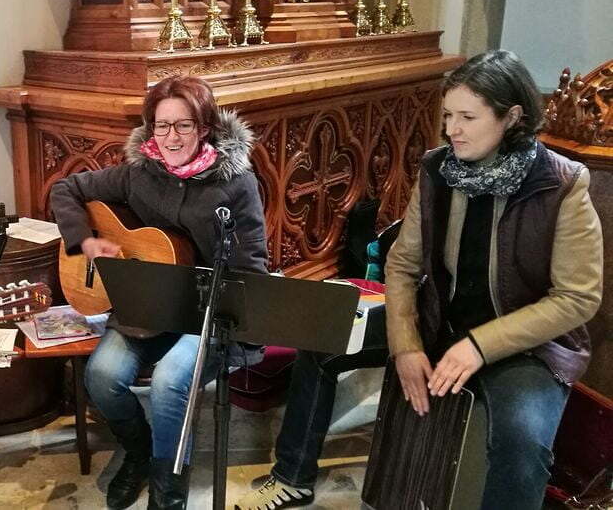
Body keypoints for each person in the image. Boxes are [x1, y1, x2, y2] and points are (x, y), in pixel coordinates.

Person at [234, 49, 602, 510]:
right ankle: (292, 475)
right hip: (438, 319)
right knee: (323, 339)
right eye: (448, 114)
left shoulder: (561, 185)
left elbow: (576, 299)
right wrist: (406, 344)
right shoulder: (437, 169)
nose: (453, 129)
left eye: (468, 117)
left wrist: (479, 346)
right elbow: (404, 267)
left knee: (523, 443)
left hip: (524, 344)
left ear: (511, 118)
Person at [51, 75, 269, 509]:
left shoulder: (236, 184)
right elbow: (66, 188)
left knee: (171, 382)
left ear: (205, 127)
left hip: (206, 310)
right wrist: (85, 241)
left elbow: (252, 266)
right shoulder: (139, 173)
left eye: (183, 126)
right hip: (145, 306)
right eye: (161, 125)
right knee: (102, 376)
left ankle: (169, 494)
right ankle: (139, 453)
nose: (170, 137)